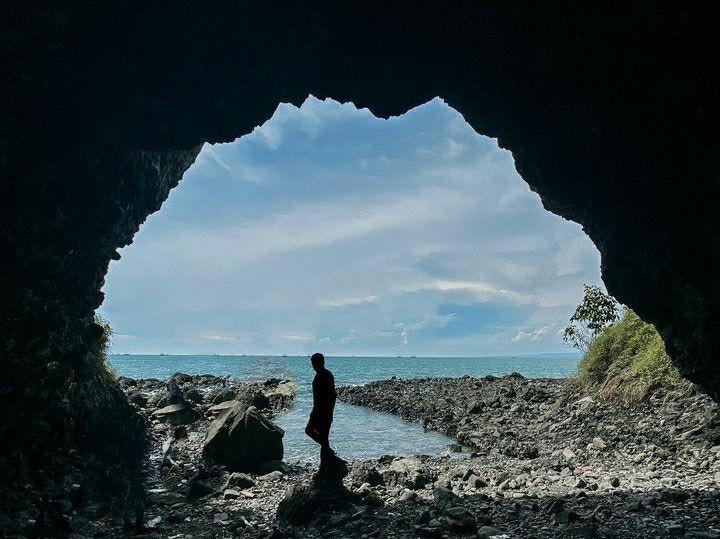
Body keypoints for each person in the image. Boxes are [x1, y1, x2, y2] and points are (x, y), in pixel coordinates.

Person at [305, 353, 345, 471]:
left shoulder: (326, 375)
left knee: (321, 436)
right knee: (313, 433)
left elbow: (332, 396)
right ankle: (329, 455)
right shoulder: (319, 375)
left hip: (323, 412)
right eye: (312, 363)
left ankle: (325, 463)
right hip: (318, 411)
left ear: (321, 362)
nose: (313, 365)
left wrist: (329, 413)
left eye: (315, 363)